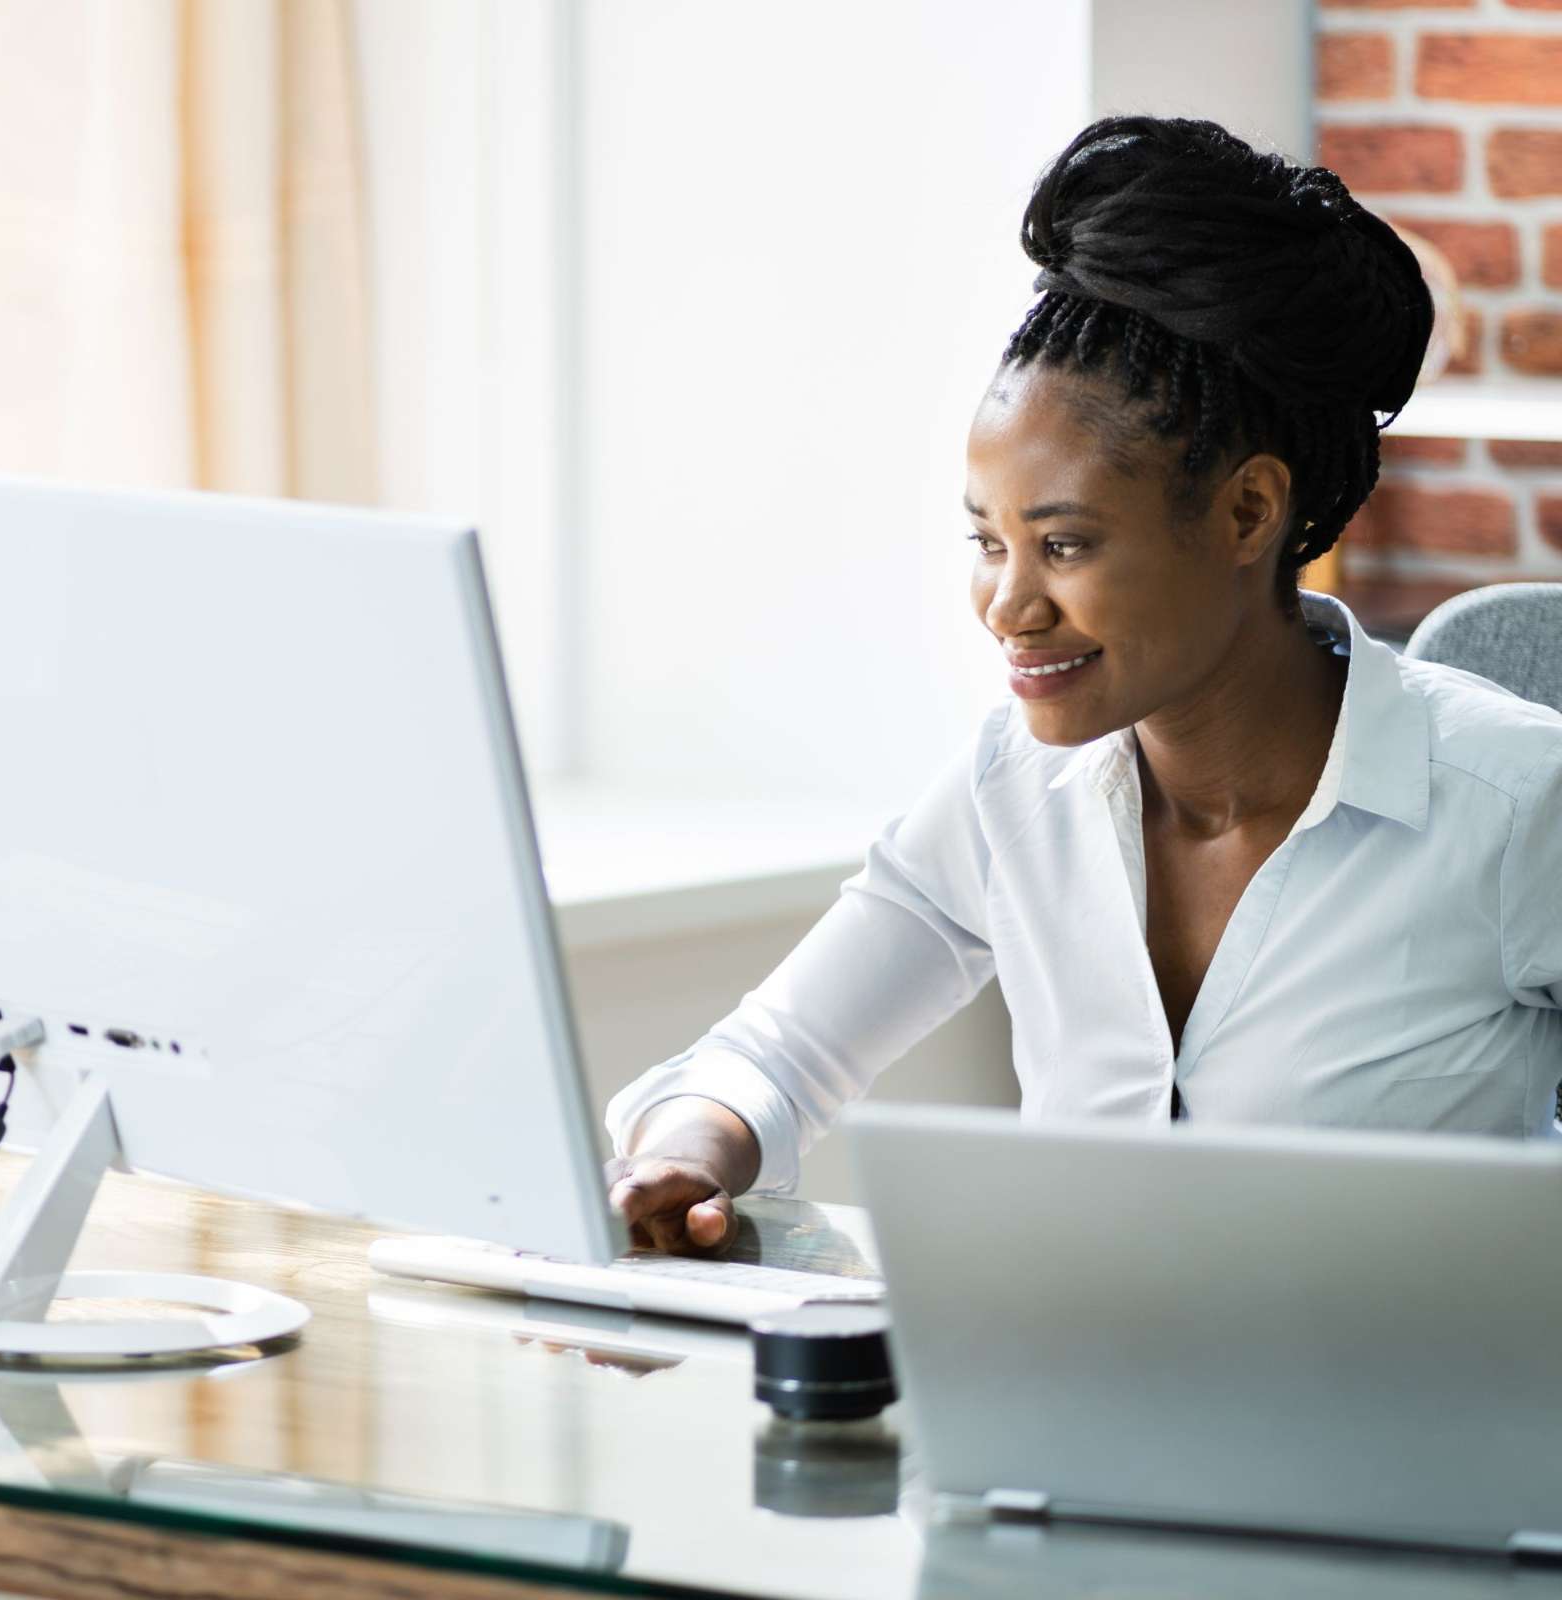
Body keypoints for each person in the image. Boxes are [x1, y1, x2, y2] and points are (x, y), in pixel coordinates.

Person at [602, 114, 1562, 1256]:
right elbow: (773, 1054)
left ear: (1246, 513)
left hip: (1402, 1426)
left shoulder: (1508, 806)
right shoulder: (1016, 787)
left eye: (1062, 546)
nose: (1008, 605)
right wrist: (686, 1151)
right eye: (986, 542)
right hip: (1064, 1416)